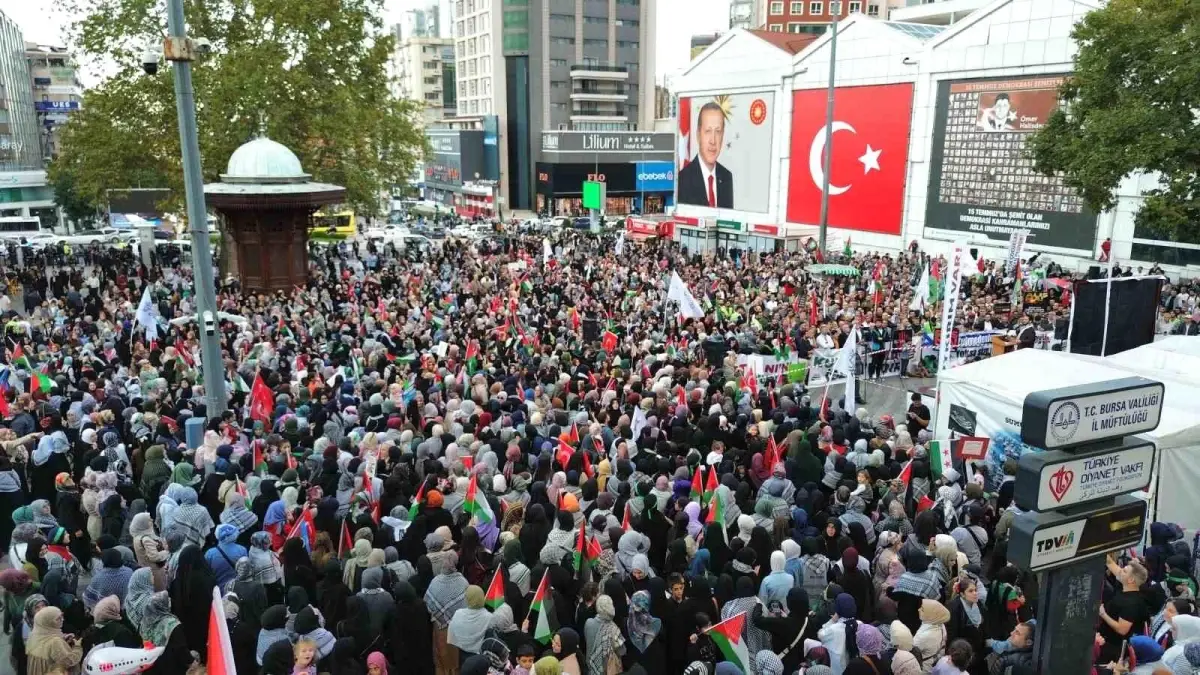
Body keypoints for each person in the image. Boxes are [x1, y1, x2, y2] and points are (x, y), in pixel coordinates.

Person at [677, 102, 733, 208]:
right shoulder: (683, 179)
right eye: (708, 131)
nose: (713, 140)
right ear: (698, 135)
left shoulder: (726, 177)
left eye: (718, 131)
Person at [1097, 558, 1152, 665]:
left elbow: (1122, 629)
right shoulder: (1125, 586)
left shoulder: (1131, 604)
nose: (1120, 570)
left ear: (1130, 580)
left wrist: (1103, 614)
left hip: (1113, 649)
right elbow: (1109, 562)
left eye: (1124, 571)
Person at [25, 606, 82, 675]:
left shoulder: (33, 635)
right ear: (47, 622)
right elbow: (68, 661)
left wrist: (63, 640)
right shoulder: (55, 641)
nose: (62, 620)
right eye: (58, 619)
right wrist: (77, 647)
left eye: (61, 616)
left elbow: (45, 648)